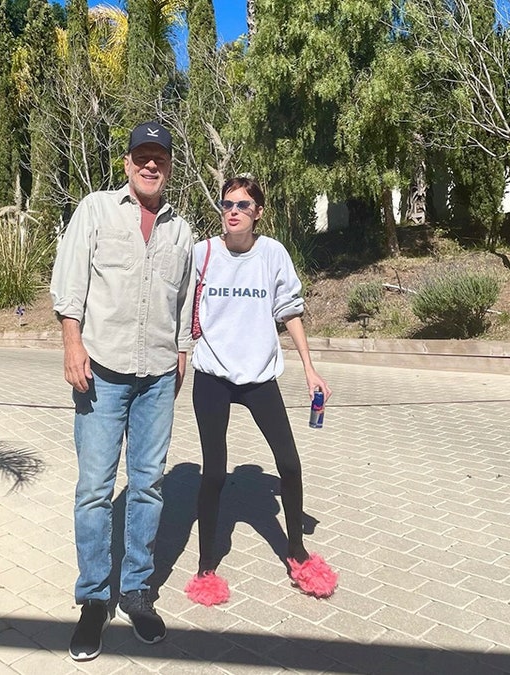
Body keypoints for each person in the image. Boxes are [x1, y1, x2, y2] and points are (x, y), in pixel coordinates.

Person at [49, 121, 194, 658]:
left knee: (149, 485)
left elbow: (183, 301)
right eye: (142, 155)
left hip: (158, 374)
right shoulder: (95, 210)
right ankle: (92, 598)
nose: (150, 164)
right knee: (94, 489)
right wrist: (72, 346)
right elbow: (69, 283)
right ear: (128, 162)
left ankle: (136, 590)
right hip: (102, 371)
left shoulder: (181, 230)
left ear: (169, 164)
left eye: (159, 156)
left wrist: (182, 354)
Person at [182, 176, 338, 606]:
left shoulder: (272, 254)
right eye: (227, 203)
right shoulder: (203, 253)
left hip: (259, 378)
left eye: (244, 205)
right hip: (212, 376)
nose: (233, 211)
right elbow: (178, 307)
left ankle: (297, 552)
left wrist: (310, 369)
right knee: (213, 473)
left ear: (258, 213)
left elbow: (289, 311)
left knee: (289, 464)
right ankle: (205, 568)